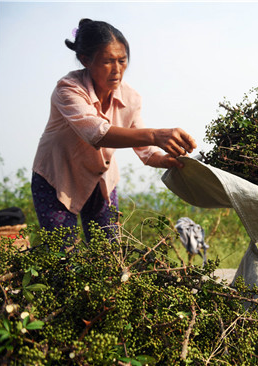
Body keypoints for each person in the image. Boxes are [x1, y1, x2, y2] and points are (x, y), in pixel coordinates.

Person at [31, 19, 197, 244]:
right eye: (108, 61)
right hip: (58, 179)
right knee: (63, 256)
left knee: (108, 253)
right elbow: (96, 133)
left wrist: (166, 159)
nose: (117, 70)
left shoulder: (131, 98)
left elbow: (146, 152)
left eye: (122, 60)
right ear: (85, 60)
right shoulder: (68, 89)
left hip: (102, 181)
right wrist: (156, 135)